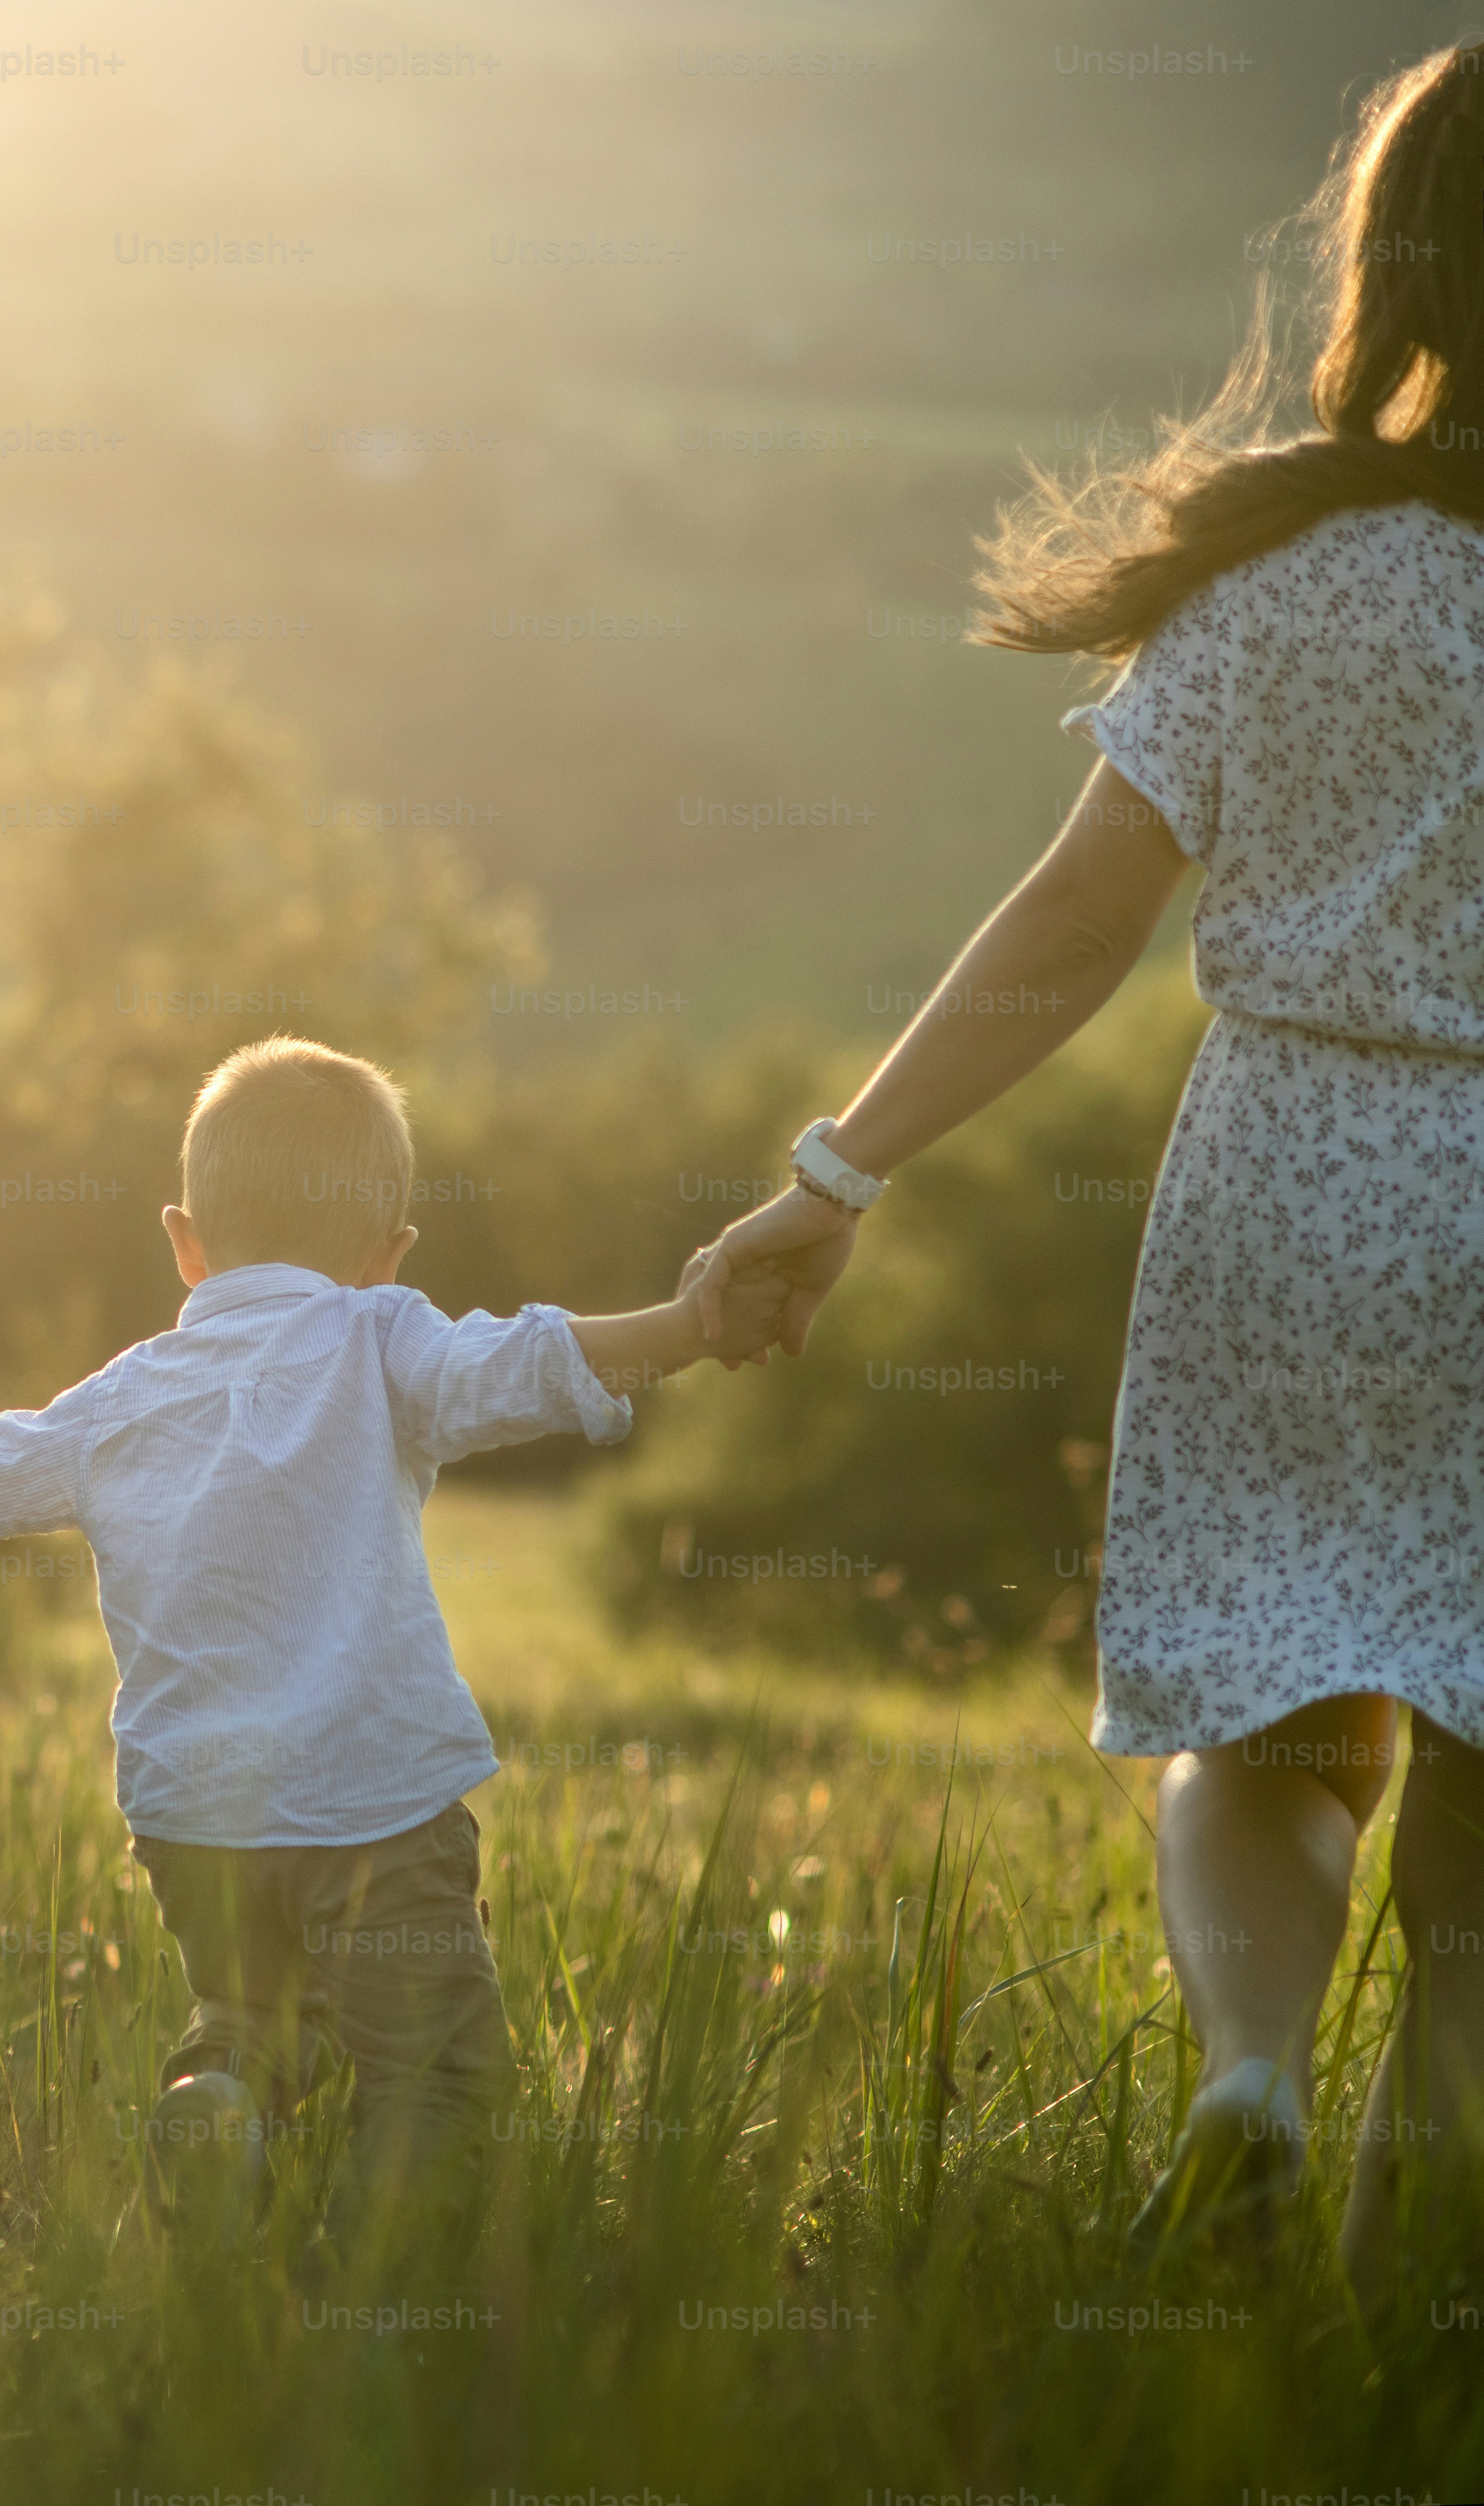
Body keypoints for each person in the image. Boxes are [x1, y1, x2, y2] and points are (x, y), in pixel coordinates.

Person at [686, 42, 1484, 2295]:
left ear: (1395, 264)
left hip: (1285, 1196)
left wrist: (832, 1173)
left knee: (1280, 1712)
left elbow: (1066, 934)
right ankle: (1418, 2258)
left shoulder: (1280, 578)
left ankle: (1249, 2078)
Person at [0, 1037, 780, 2256]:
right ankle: (371, 2302)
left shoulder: (116, 1399)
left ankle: (223, 2097)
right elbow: (524, 1360)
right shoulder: (379, 1338)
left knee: (256, 2013)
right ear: (387, 1253)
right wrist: (688, 1326)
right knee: (435, 2081)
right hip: (373, 1805)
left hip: (191, 1818)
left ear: (183, 1241)